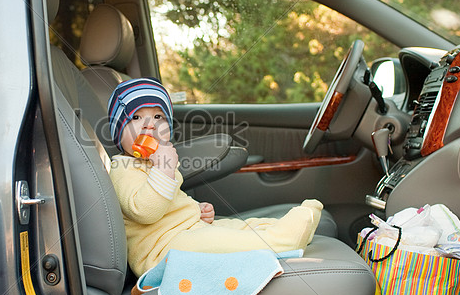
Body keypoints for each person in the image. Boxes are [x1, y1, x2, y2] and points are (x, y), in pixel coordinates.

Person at [107, 77, 323, 277]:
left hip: (184, 232)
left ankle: (276, 226)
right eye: (136, 117)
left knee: (235, 227)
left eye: (158, 116)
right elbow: (145, 211)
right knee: (225, 242)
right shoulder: (123, 168)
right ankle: (283, 241)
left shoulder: (157, 160)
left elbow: (171, 201)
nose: (149, 125)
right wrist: (164, 169)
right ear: (119, 131)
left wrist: (194, 210)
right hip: (161, 252)